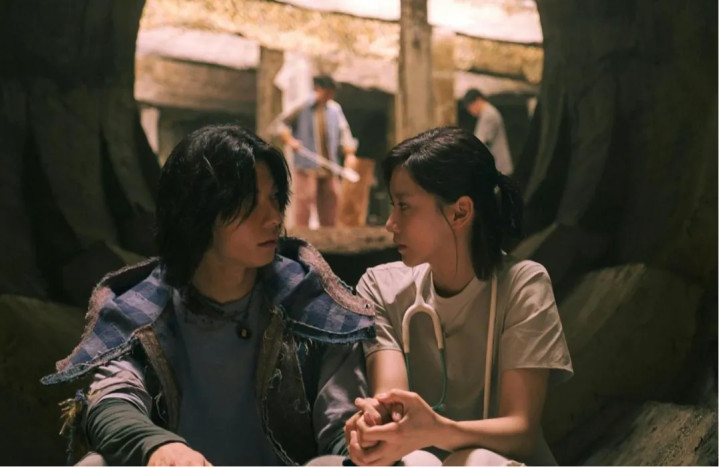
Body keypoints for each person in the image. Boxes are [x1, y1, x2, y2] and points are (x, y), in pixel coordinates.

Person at [41, 125, 375, 466]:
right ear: (199, 212)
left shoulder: (313, 305)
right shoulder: (141, 310)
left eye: (275, 198)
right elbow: (112, 400)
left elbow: (342, 424)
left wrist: (365, 440)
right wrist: (157, 447)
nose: (274, 218)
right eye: (249, 202)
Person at [342, 127, 573, 466]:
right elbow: (391, 404)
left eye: (404, 206)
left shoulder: (524, 286)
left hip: (500, 464)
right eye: (393, 206)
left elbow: (521, 433)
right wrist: (375, 427)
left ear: (460, 212)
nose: (390, 223)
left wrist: (436, 430)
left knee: (473, 461)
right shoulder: (380, 287)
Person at [273, 75, 357, 227]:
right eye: (327, 92)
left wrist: (349, 152)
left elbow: (344, 132)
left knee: (331, 198)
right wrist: (290, 140)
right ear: (318, 89)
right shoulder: (302, 105)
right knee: (305, 200)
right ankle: (301, 234)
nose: (329, 96)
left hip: (328, 163)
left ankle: (329, 235)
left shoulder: (334, 109)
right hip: (307, 163)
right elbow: (280, 123)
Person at [463, 89, 514, 176]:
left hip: (498, 167)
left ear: (478, 100)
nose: (470, 111)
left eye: (470, 107)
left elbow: (480, 142)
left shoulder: (489, 115)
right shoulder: (487, 113)